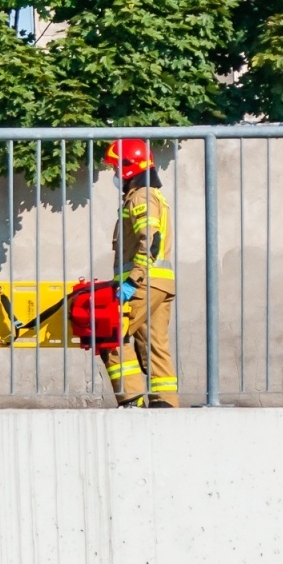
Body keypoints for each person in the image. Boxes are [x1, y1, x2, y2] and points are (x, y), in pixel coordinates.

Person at [101, 138, 178, 407]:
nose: (114, 175)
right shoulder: (152, 195)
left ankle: (131, 400)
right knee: (154, 345)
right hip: (159, 284)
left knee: (108, 333)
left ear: (128, 168)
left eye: (115, 169)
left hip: (143, 283)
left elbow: (151, 240)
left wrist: (133, 280)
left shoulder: (142, 196)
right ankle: (164, 403)